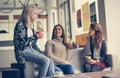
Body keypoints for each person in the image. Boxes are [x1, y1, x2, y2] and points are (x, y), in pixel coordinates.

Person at [13, 4, 55, 78]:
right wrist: (36, 36)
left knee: (50, 61)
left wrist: (40, 52)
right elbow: (23, 44)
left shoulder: (30, 27)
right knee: (46, 61)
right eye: (35, 13)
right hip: (22, 51)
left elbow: (32, 44)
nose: (36, 15)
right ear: (29, 13)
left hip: (30, 50)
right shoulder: (20, 24)